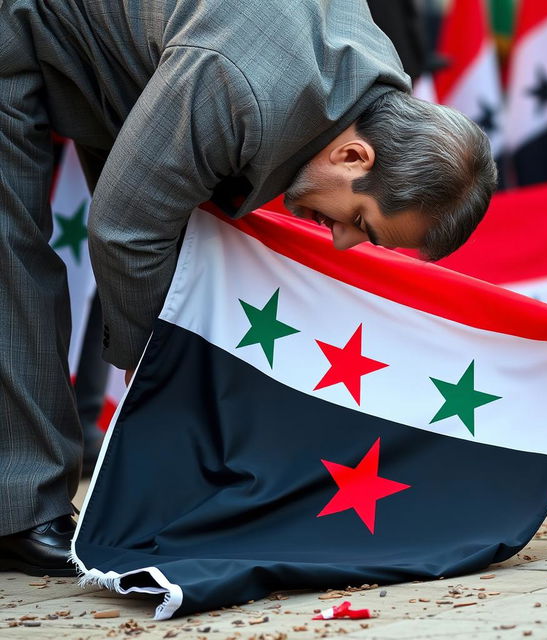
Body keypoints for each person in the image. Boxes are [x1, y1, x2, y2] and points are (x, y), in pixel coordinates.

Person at [0, 0, 497, 577]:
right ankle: (21, 513)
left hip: (129, 57)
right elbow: (126, 230)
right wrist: (153, 371)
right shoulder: (239, 84)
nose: (340, 242)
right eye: (360, 223)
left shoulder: (368, 84)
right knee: (11, 256)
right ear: (354, 155)